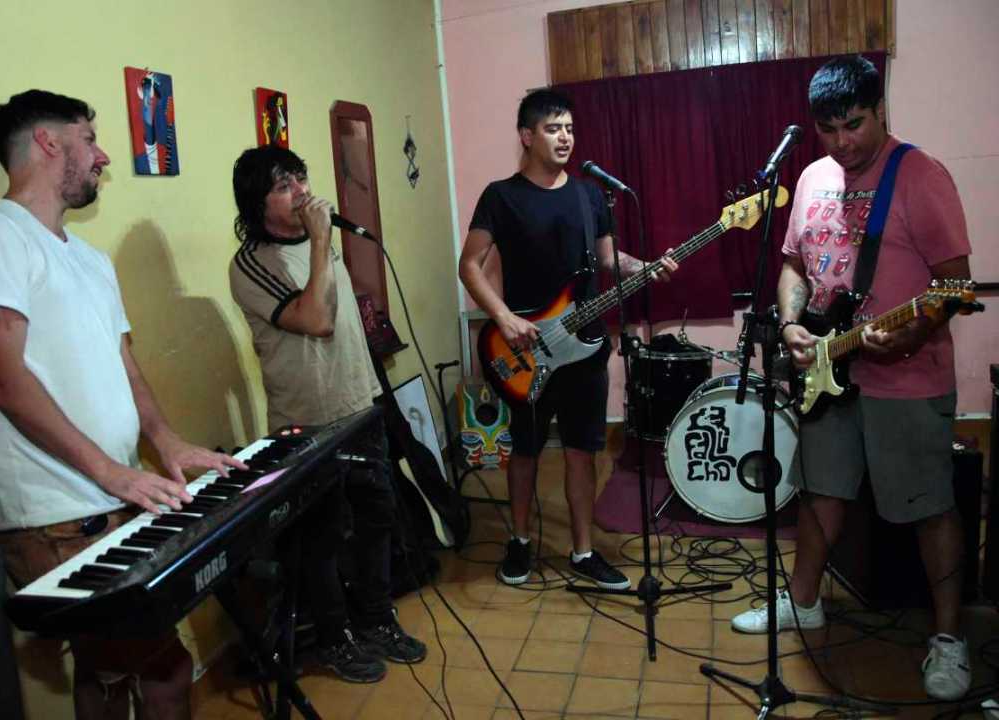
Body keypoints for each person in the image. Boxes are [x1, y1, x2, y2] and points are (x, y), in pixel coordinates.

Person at [0, 89, 246, 719]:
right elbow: (1, 378)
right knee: (163, 670)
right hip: (51, 513)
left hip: (107, 498)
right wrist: (112, 473)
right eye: (90, 138)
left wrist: (166, 443)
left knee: (107, 668)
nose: (103, 156)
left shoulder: (90, 260)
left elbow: (123, 365)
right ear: (48, 141)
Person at [730, 55, 974, 701]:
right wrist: (790, 325)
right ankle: (804, 602)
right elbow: (793, 265)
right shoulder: (812, 177)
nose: (843, 141)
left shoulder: (920, 175)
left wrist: (913, 333)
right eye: (828, 128)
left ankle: (949, 637)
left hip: (908, 380)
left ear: (880, 110)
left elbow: (954, 283)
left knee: (929, 506)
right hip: (828, 368)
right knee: (821, 491)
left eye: (855, 124)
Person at [458, 89, 678, 590]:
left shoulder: (589, 195)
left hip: (585, 346)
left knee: (582, 450)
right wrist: (503, 317)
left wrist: (645, 267)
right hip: (525, 347)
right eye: (553, 128)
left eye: (570, 129)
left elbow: (608, 258)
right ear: (527, 136)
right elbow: (469, 265)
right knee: (526, 450)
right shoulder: (501, 196)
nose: (565, 138)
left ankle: (583, 551)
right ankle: (519, 541)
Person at [228, 145, 426, 683]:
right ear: (257, 204)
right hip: (307, 424)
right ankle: (335, 639)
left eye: (300, 178)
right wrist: (320, 241)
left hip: (359, 406)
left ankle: (376, 620)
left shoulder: (321, 245)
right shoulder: (252, 264)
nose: (301, 192)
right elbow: (315, 320)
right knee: (320, 538)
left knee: (376, 519)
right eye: (283, 186)